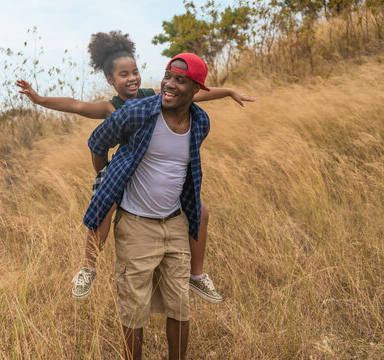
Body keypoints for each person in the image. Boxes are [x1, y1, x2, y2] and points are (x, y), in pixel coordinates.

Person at [16, 31, 255, 302]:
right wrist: (39, 100)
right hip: (124, 170)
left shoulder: (152, 95)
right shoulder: (111, 106)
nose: (132, 78)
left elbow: (194, 95)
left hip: (153, 172)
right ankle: (88, 267)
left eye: (135, 72)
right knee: (103, 207)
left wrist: (229, 92)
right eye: (123, 74)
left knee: (202, 212)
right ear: (110, 80)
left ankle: (196, 276)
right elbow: (76, 105)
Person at [85, 52, 210, 360]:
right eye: (167, 76)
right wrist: (108, 176)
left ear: (196, 90)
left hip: (175, 224)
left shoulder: (200, 122)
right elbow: (97, 141)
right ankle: (87, 266)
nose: (169, 84)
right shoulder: (137, 112)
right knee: (133, 310)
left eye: (180, 80)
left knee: (180, 306)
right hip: (136, 225)